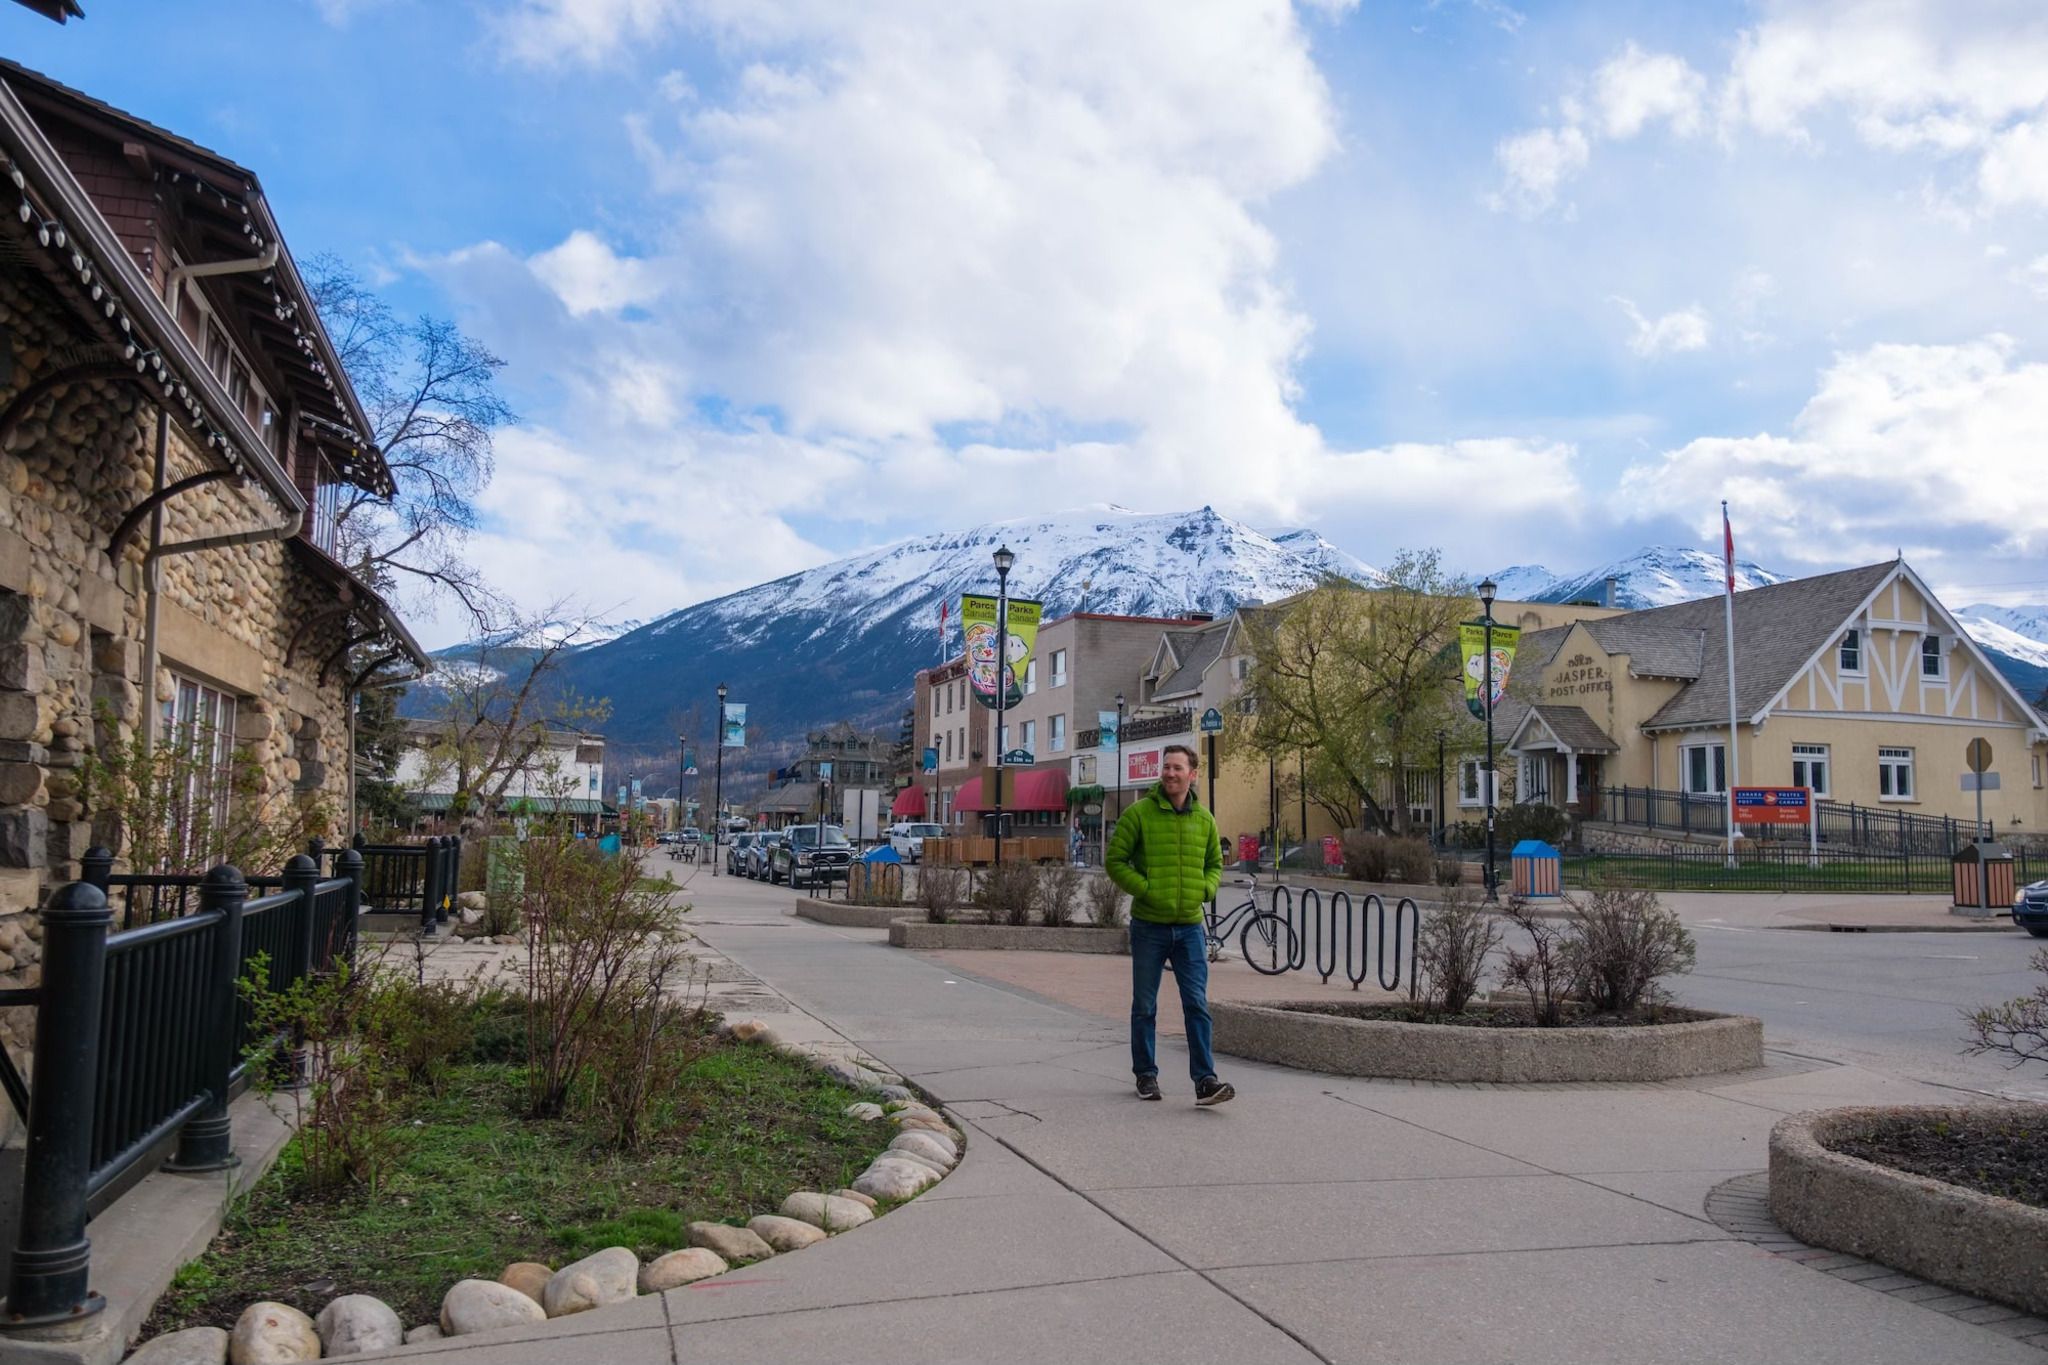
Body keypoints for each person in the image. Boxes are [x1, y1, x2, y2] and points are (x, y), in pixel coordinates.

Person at [1105, 743, 1234, 1106]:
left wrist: (1206, 890)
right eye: (1166, 767)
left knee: (1197, 1004)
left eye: (1177, 768)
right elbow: (1115, 861)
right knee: (1145, 1005)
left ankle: (1205, 1081)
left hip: (1190, 928)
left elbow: (1215, 864)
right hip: (1149, 926)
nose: (1170, 773)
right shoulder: (1139, 814)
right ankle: (1146, 1075)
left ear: (1193, 774)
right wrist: (1147, 889)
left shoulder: (1204, 819)